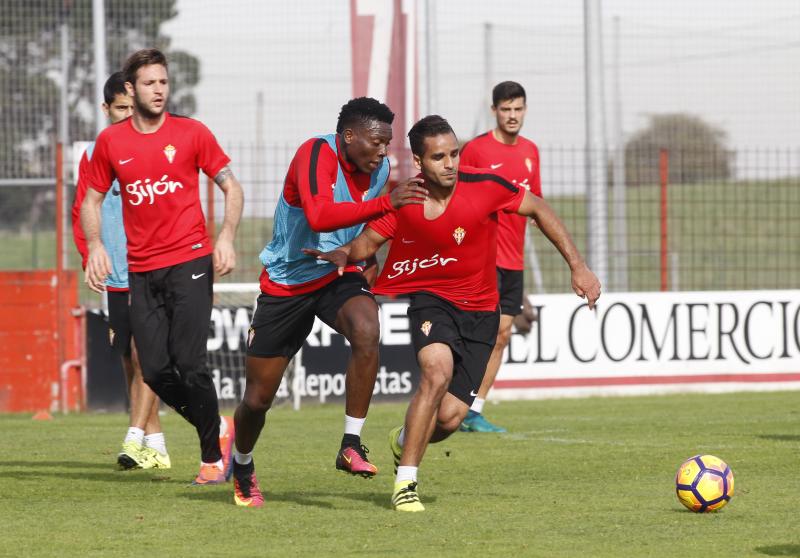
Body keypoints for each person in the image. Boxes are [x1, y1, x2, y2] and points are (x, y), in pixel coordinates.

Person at [307, 115, 600, 512]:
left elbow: (538, 208)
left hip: (480, 311)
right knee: (436, 371)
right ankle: (406, 483)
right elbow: (367, 241)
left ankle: (402, 439)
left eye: (455, 153)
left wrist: (578, 265)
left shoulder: (487, 187)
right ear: (418, 161)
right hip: (431, 301)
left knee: (449, 419)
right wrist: (344, 253)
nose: (451, 164)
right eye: (439, 157)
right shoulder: (405, 199)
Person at [230, 97, 429, 508]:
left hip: (335, 273)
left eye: (387, 144)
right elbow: (320, 216)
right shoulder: (315, 153)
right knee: (257, 400)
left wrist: (367, 255)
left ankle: (351, 443)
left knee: (367, 327)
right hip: (286, 283)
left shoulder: (380, 170)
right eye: (376, 142)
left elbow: (367, 222)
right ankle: (242, 462)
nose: (383, 152)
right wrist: (387, 203)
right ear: (349, 135)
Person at [82, 48, 244, 485]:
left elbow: (232, 188)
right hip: (142, 269)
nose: (159, 90)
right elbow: (91, 199)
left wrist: (225, 238)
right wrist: (96, 244)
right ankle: (218, 427)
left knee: (189, 363)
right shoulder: (112, 142)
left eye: (164, 82)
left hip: (190, 261)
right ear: (130, 90)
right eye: (150, 83)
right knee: (151, 369)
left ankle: (212, 456)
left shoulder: (192, 133)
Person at [71, 71, 170, 470]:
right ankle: (157, 446)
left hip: (153, 269)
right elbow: (82, 212)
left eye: (134, 107)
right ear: (106, 109)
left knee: (143, 355)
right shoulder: (96, 155)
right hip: (115, 277)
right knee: (131, 362)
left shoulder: (156, 147)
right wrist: (89, 258)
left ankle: (132, 440)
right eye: (121, 108)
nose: (129, 114)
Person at [458, 80, 540, 433]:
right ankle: (450, 400)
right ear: (494, 111)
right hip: (483, 257)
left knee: (503, 335)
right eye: (505, 109)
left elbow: (534, 203)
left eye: (517, 109)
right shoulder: (476, 151)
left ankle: (473, 411)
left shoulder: (531, 151)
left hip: (514, 261)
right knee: (473, 331)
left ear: (524, 110)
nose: (512, 115)